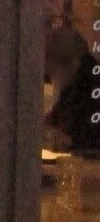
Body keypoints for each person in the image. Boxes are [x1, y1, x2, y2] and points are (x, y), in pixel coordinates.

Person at [45, 23, 100, 151]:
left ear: (68, 62)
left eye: (52, 71)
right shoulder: (75, 82)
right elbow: (55, 117)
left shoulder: (90, 85)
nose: (53, 79)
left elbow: (93, 137)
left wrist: (71, 141)